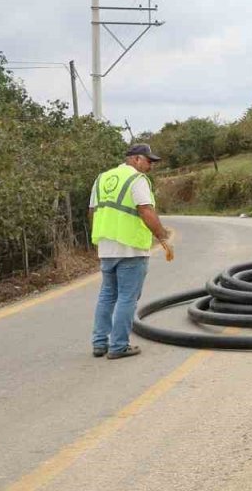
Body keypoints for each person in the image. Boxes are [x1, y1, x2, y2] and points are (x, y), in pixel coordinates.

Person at [88, 143, 173, 360]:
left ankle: (100, 343)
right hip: (131, 248)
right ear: (135, 159)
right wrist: (162, 236)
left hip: (107, 247)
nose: (151, 166)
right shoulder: (137, 180)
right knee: (128, 297)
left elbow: (92, 212)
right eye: (148, 161)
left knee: (107, 295)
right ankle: (118, 346)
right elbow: (146, 210)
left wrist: (101, 238)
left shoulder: (102, 178)